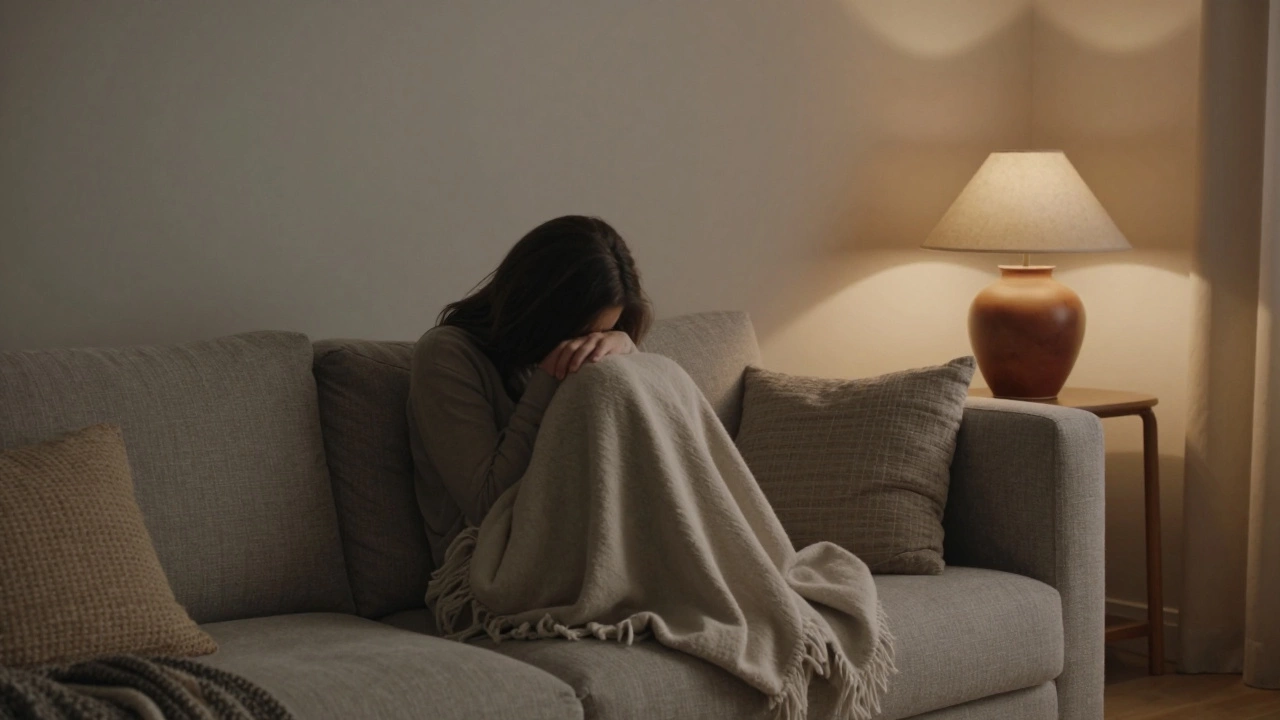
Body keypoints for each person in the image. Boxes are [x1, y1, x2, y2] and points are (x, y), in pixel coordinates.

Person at [408, 215, 651, 567]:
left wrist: (630, 358)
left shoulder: (588, 351)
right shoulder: (445, 355)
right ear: (539, 312)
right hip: (485, 561)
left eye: (600, 334)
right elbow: (487, 503)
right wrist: (549, 376)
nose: (585, 347)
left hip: (588, 535)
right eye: (580, 335)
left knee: (658, 381)